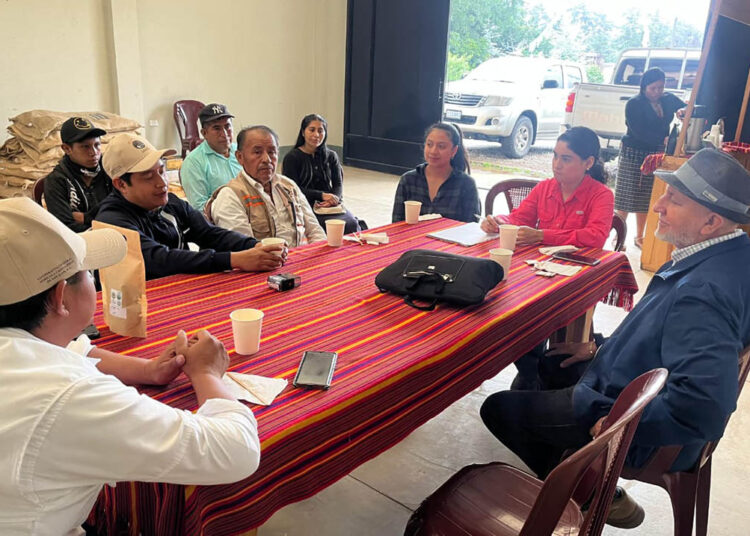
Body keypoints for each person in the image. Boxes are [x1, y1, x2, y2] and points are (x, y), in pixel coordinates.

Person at [480, 148, 750, 529]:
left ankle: (591, 494)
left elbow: (704, 406)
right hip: (637, 379)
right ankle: (576, 465)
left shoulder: (702, 293)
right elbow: (662, 333)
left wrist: (616, 424)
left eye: (674, 199)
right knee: (553, 364)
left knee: (497, 408)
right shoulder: (733, 255)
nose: (658, 206)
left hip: (634, 416)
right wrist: (599, 347)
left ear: (711, 221)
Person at [0, 197, 261, 535]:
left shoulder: (22, 348)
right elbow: (235, 451)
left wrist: (147, 370)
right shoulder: (69, 396)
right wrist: (207, 374)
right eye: (88, 273)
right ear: (60, 297)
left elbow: (73, 350)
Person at [95, 132, 285, 280]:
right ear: (121, 184)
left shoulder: (171, 203)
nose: (162, 183)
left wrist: (255, 246)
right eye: (148, 177)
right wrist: (235, 259)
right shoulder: (111, 221)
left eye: (161, 171)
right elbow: (161, 260)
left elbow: (209, 233)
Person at [481, 126, 614, 248]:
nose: (557, 165)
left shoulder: (602, 195)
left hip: (579, 263)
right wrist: (498, 222)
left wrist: (542, 236)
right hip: (540, 261)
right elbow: (520, 218)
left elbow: (596, 237)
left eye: (566, 159)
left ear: (588, 163)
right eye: (555, 156)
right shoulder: (544, 188)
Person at [209, 125, 327, 246]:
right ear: (240, 157)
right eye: (257, 152)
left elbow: (315, 230)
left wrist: (319, 253)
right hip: (264, 258)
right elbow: (245, 250)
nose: (267, 159)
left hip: (302, 254)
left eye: (272, 152)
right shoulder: (230, 196)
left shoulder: (288, 186)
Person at [614, 67, 686, 249]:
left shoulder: (667, 99)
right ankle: (618, 236)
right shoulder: (634, 104)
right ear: (644, 87)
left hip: (654, 154)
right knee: (626, 196)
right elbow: (639, 132)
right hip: (633, 152)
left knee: (645, 197)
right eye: (653, 88)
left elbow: (687, 106)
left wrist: (682, 111)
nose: (657, 92)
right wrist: (663, 139)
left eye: (660, 88)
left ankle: (640, 236)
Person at [282, 113, 361, 234]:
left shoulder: (331, 156)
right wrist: (322, 195)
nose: (316, 135)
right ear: (303, 132)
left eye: (320, 131)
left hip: (329, 204)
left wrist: (333, 199)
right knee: (324, 227)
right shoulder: (292, 157)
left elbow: (338, 184)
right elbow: (292, 189)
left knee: (351, 224)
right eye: (312, 130)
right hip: (304, 204)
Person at [392, 123, 480, 223]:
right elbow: (396, 223)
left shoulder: (466, 184)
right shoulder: (408, 180)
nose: (433, 151)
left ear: (454, 151)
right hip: (412, 234)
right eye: (429, 144)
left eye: (441, 146)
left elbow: (471, 226)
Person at [43, 117, 113, 232]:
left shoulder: (110, 168)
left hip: (118, 234)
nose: (94, 152)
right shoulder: (56, 181)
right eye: (85, 147)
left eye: (97, 145)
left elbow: (125, 208)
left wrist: (85, 217)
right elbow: (65, 227)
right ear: (67, 149)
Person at [180, 103, 242, 211]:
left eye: (227, 126)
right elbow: (200, 208)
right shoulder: (193, 163)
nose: (224, 133)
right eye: (217, 128)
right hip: (223, 218)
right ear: (204, 133)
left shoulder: (241, 152)